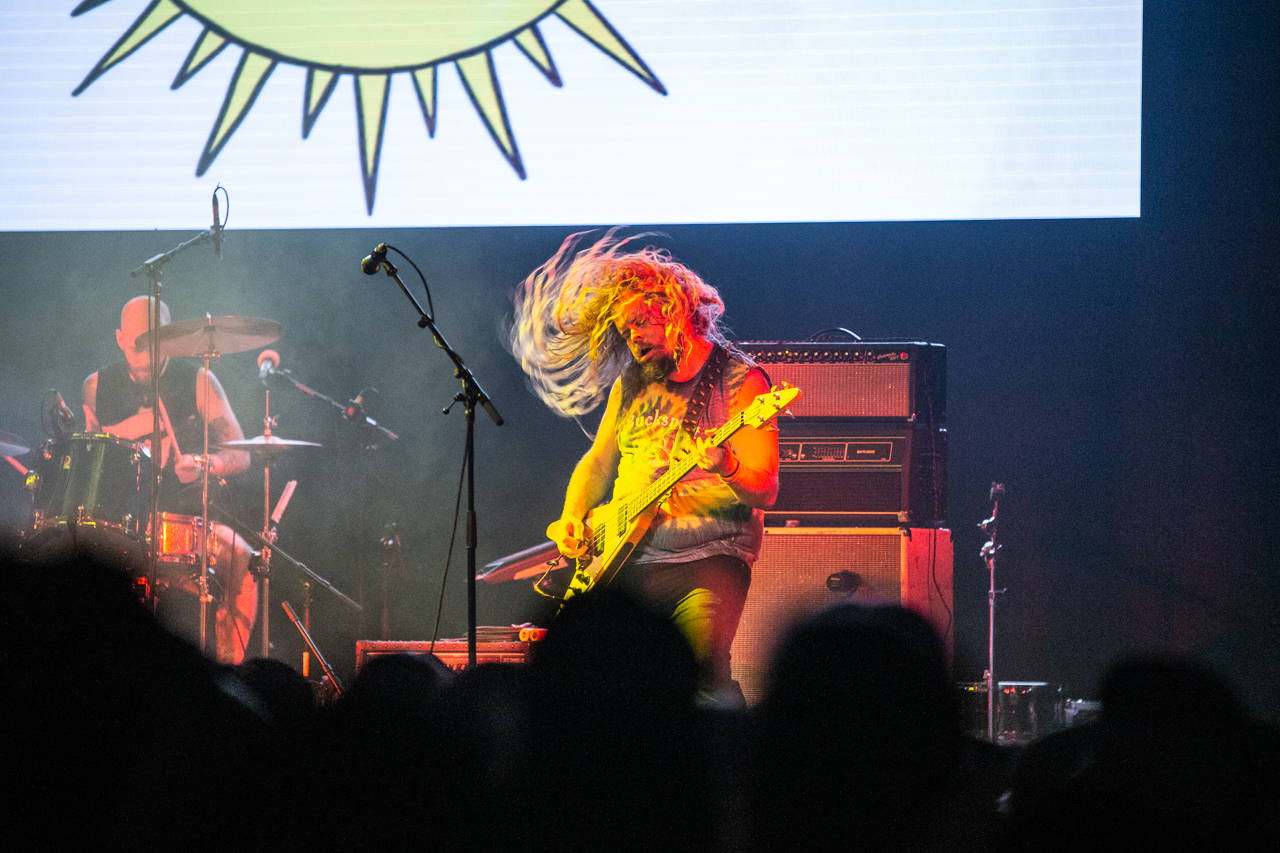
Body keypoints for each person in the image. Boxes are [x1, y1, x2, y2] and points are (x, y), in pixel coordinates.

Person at [510, 229, 779, 705]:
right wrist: (573, 517)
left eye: (638, 324)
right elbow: (596, 463)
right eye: (624, 329)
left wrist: (727, 463)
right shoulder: (631, 383)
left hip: (709, 563)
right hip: (625, 561)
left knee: (700, 683)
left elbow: (765, 490)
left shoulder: (742, 380)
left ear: (673, 314)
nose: (630, 338)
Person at [83, 295, 257, 663]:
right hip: (117, 523)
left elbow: (242, 454)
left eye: (152, 344)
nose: (143, 356)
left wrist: (203, 462)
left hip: (180, 521)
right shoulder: (96, 386)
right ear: (118, 338)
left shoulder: (198, 381)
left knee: (241, 555)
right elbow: (88, 463)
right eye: (135, 346)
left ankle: (229, 679)